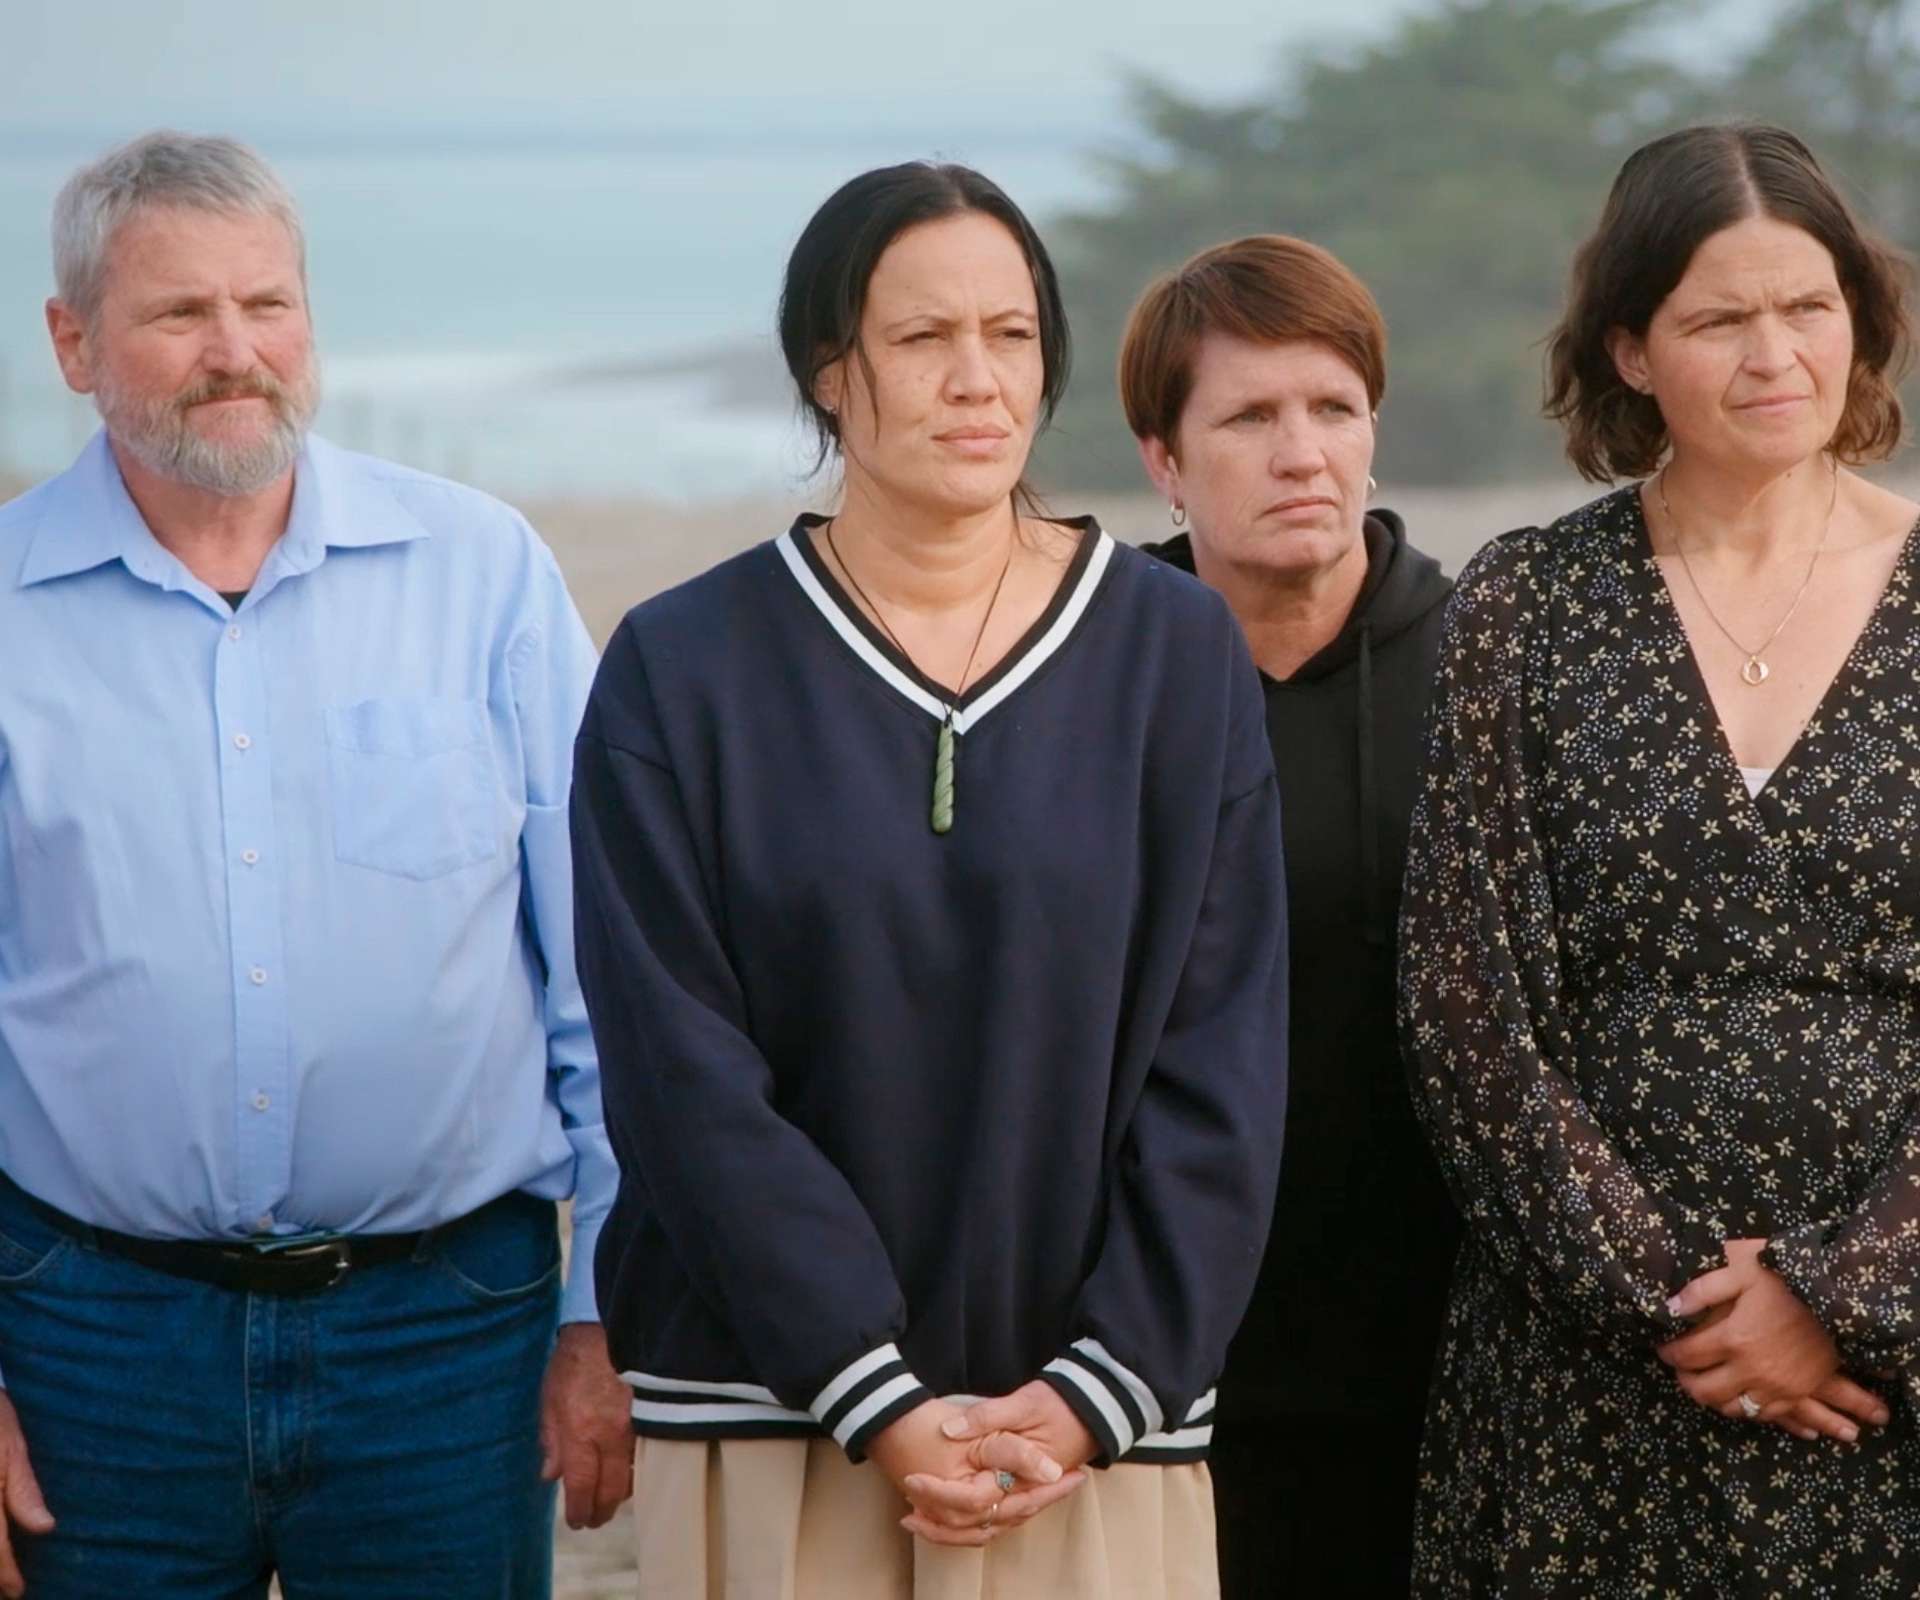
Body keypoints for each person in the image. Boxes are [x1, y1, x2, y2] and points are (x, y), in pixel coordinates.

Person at [570, 160, 1288, 1599]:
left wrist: (1104, 1384)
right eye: (921, 340)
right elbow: (676, 1072)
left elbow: (1224, 1054)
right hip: (779, 1422)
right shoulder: (682, 666)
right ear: (828, 372)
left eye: (1012, 336)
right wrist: (871, 1389)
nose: (978, 380)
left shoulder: (1175, 654)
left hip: (1085, 1439)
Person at [0, 131, 632, 1599]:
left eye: (267, 304)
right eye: (180, 315)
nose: (237, 353)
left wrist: (602, 1314)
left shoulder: (484, 574)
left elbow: (606, 970)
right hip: (91, 1340)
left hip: (452, 1337)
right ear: (72, 341)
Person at [1400, 121, 1920, 1596]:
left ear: (1861, 324)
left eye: (1807, 307)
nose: (1773, 355)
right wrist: (1689, 1304)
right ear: (1630, 352)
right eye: (1717, 319)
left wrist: (1845, 1294)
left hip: (1888, 1380)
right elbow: (1467, 1011)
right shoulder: (1523, 604)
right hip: (1587, 1376)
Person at [1123, 233, 1459, 1595]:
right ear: (1165, 457)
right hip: (1165, 1351)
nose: (1301, 453)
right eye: (1249, 417)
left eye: (1333, 410)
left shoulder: (1484, 664)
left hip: (1446, 1348)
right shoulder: (1101, 672)